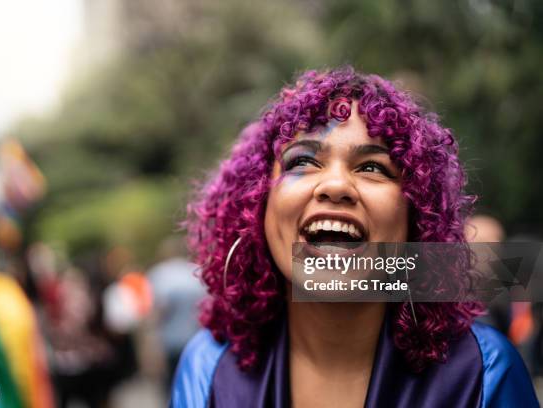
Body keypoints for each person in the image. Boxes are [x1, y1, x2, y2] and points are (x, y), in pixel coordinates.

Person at [170, 67, 538, 407]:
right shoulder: (208, 370)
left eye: (373, 167)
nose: (335, 185)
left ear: (417, 217)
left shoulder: (484, 373)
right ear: (256, 204)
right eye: (302, 161)